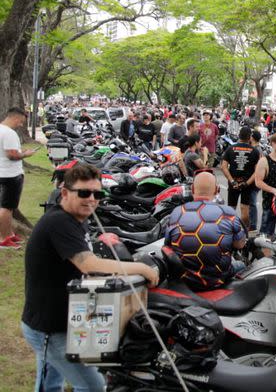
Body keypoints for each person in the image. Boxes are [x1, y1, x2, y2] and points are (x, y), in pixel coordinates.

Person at [22, 163, 159, 392]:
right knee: (92, 386)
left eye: (98, 194)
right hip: (48, 328)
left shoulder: (77, 219)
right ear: (65, 193)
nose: (91, 199)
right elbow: (88, 264)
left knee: (50, 384)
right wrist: (141, 269)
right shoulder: (59, 222)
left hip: (62, 322)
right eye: (84, 193)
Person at [166, 172, 246, 290]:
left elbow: (168, 245)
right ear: (217, 190)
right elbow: (239, 244)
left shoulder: (176, 212)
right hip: (218, 279)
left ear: (192, 189)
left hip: (185, 279)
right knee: (243, 265)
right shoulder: (229, 213)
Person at [1, 107, 37, 248]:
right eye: (21, 122)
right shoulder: (9, 133)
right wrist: (26, 154)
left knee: (7, 207)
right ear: (15, 118)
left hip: (3, 172)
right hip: (10, 174)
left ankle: (9, 234)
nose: (21, 125)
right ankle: (3, 238)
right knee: (6, 208)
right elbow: (12, 155)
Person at [221, 126, 261, 230]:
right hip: (246, 184)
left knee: (231, 209)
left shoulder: (230, 149)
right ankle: (244, 232)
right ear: (250, 138)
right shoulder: (255, 151)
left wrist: (232, 181)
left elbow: (224, 167)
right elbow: (257, 171)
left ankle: (230, 230)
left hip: (233, 182)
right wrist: (247, 183)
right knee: (245, 209)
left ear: (239, 135)